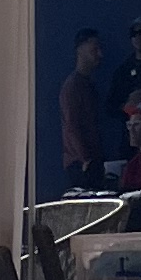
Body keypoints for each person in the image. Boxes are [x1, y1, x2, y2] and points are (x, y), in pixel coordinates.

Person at [57, 28, 110, 188]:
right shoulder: (73, 86)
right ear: (80, 50)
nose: (100, 55)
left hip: (93, 159)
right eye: (94, 49)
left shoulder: (88, 85)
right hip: (81, 163)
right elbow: (72, 126)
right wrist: (85, 159)